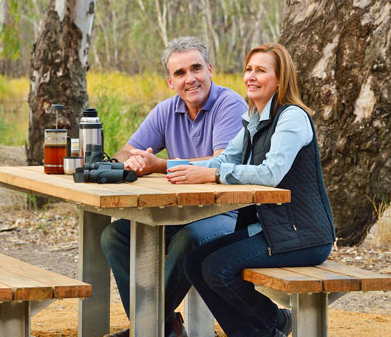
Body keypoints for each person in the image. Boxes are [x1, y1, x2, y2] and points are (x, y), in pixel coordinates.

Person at [167, 43, 336, 337]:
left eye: (261, 70)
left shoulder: (292, 117)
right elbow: (222, 159)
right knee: (195, 262)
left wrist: (214, 175)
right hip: (270, 228)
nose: (251, 77)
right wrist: (174, 167)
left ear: (280, 79)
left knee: (218, 269)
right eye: (248, 69)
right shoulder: (253, 120)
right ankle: (275, 324)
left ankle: (270, 328)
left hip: (302, 236)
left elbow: (270, 174)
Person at [101, 37, 248, 337]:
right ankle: (164, 325)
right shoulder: (167, 110)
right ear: (170, 81)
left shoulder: (230, 104)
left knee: (189, 240)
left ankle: (147, 327)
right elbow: (127, 151)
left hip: (228, 213)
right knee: (114, 235)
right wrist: (131, 163)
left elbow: (220, 163)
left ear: (210, 69)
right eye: (180, 73)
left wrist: (160, 165)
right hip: (177, 213)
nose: (190, 79)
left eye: (196, 68)